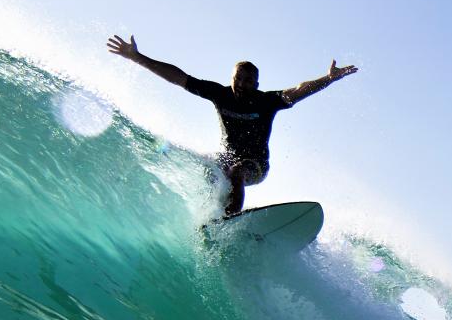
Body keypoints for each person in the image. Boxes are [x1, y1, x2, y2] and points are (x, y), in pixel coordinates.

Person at [107, 34, 358, 215]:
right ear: (232, 79)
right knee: (209, 167)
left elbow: (299, 90)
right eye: (239, 79)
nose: (243, 84)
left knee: (236, 171)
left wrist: (328, 79)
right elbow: (178, 77)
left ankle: (230, 220)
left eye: (249, 81)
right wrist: (137, 57)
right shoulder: (220, 94)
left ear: (256, 84)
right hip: (227, 158)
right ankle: (213, 213)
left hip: (256, 165)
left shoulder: (266, 101)